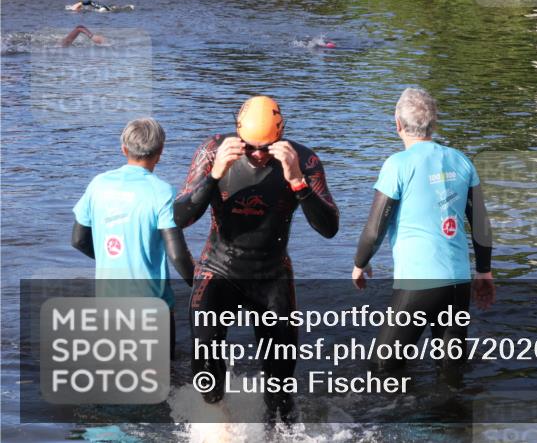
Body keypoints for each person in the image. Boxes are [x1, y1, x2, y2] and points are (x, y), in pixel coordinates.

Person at [174, 95, 339, 420]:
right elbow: (180, 217)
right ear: (239, 135)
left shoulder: (302, 160)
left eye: (267, 147)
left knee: (280, 386)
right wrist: (215, 175)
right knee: (206, 373)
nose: (259, 155)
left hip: (271, 275)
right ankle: (218, 429)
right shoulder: (214, 151)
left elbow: (330, 228)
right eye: (251, 147)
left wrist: (297, 183)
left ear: (281, 136)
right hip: (218, 271)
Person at [353, 87, 495, 375]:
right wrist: (484, 271)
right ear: (434, 123)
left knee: (382, 369)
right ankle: (452, 416)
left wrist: (360, 263)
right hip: (457, 283)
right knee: (450, 371)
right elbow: (480, 223)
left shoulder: (397, 165)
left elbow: (375, 227)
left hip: (418, 284)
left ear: (397, 124)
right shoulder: (461, 160)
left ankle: (398, 418)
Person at [72, 118, 195, 357]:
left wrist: (113, 259)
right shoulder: (163, 193)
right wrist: (199, 284)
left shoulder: (98, 185)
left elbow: (78, 240)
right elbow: (177, 254)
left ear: (123, 149)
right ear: (160, 152)